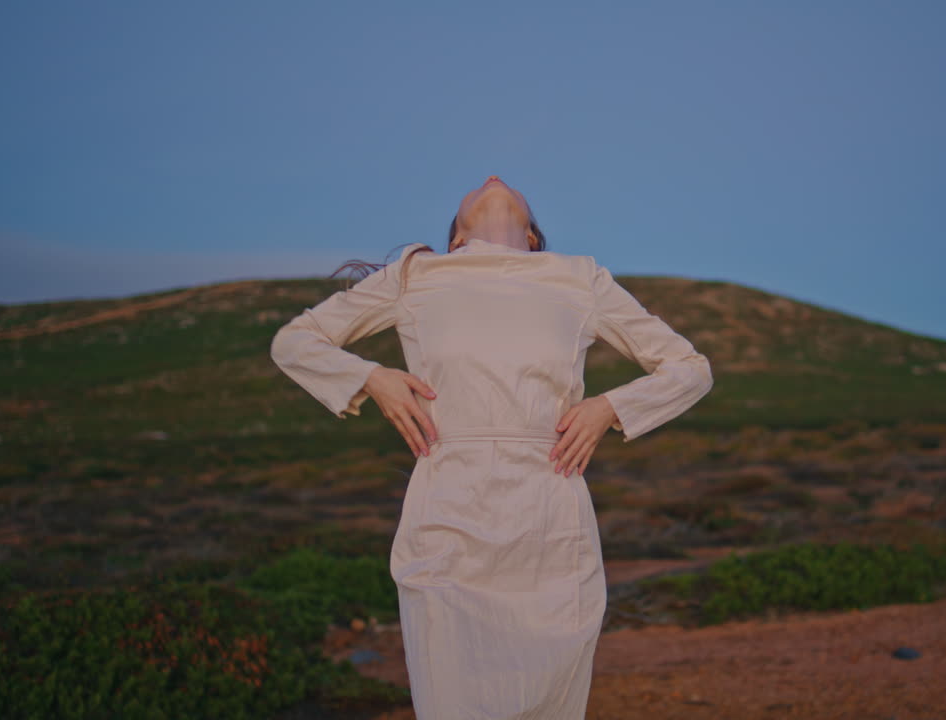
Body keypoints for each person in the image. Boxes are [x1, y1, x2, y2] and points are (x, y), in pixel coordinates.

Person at [269, 175, 713, 719]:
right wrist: (372, 379)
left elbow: (691, 369)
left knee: (547, 701)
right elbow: (294, 341)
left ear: (532, 238)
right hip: (448, 511)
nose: (493, 179)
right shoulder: (415, 276)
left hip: (548, 514)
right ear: (455, 239)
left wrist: (611, 409)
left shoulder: (580, 279)